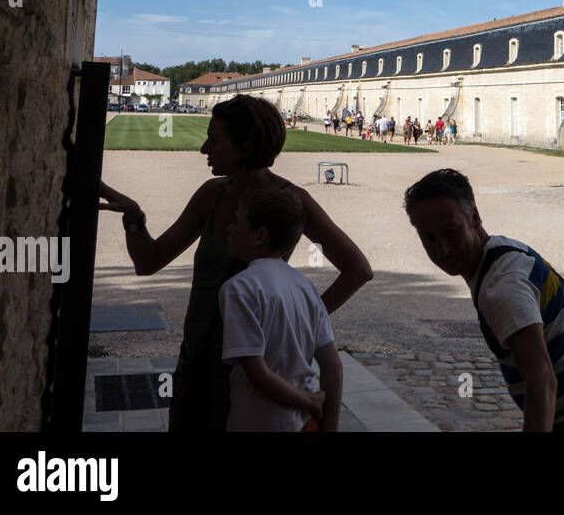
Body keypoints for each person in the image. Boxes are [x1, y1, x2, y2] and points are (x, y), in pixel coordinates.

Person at [98, 94, 373, 432]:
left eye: (215, 139)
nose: (203, 148)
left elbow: (357, 270)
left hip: (257, 374)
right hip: (196, 364)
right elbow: (148, 262)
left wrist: (298, 323)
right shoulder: (211, 194)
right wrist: (134, 218)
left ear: (246, 145)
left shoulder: (291, 202)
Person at [405, 169, 564, 431]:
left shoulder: (501, 286)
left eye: (450, 231)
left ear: (475, 217)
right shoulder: (502, 250)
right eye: (429, 237)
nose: (442, 248)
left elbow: (542, 379)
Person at [220, 188, 342, 431]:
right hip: (305, 423)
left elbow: (258, 374)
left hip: (260, 421)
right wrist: (330, 426)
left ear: (259, 236)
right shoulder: (304, 285)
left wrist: (308, 401)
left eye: (237, 222)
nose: (229, 229)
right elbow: (332, 365)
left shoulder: (240, 287)